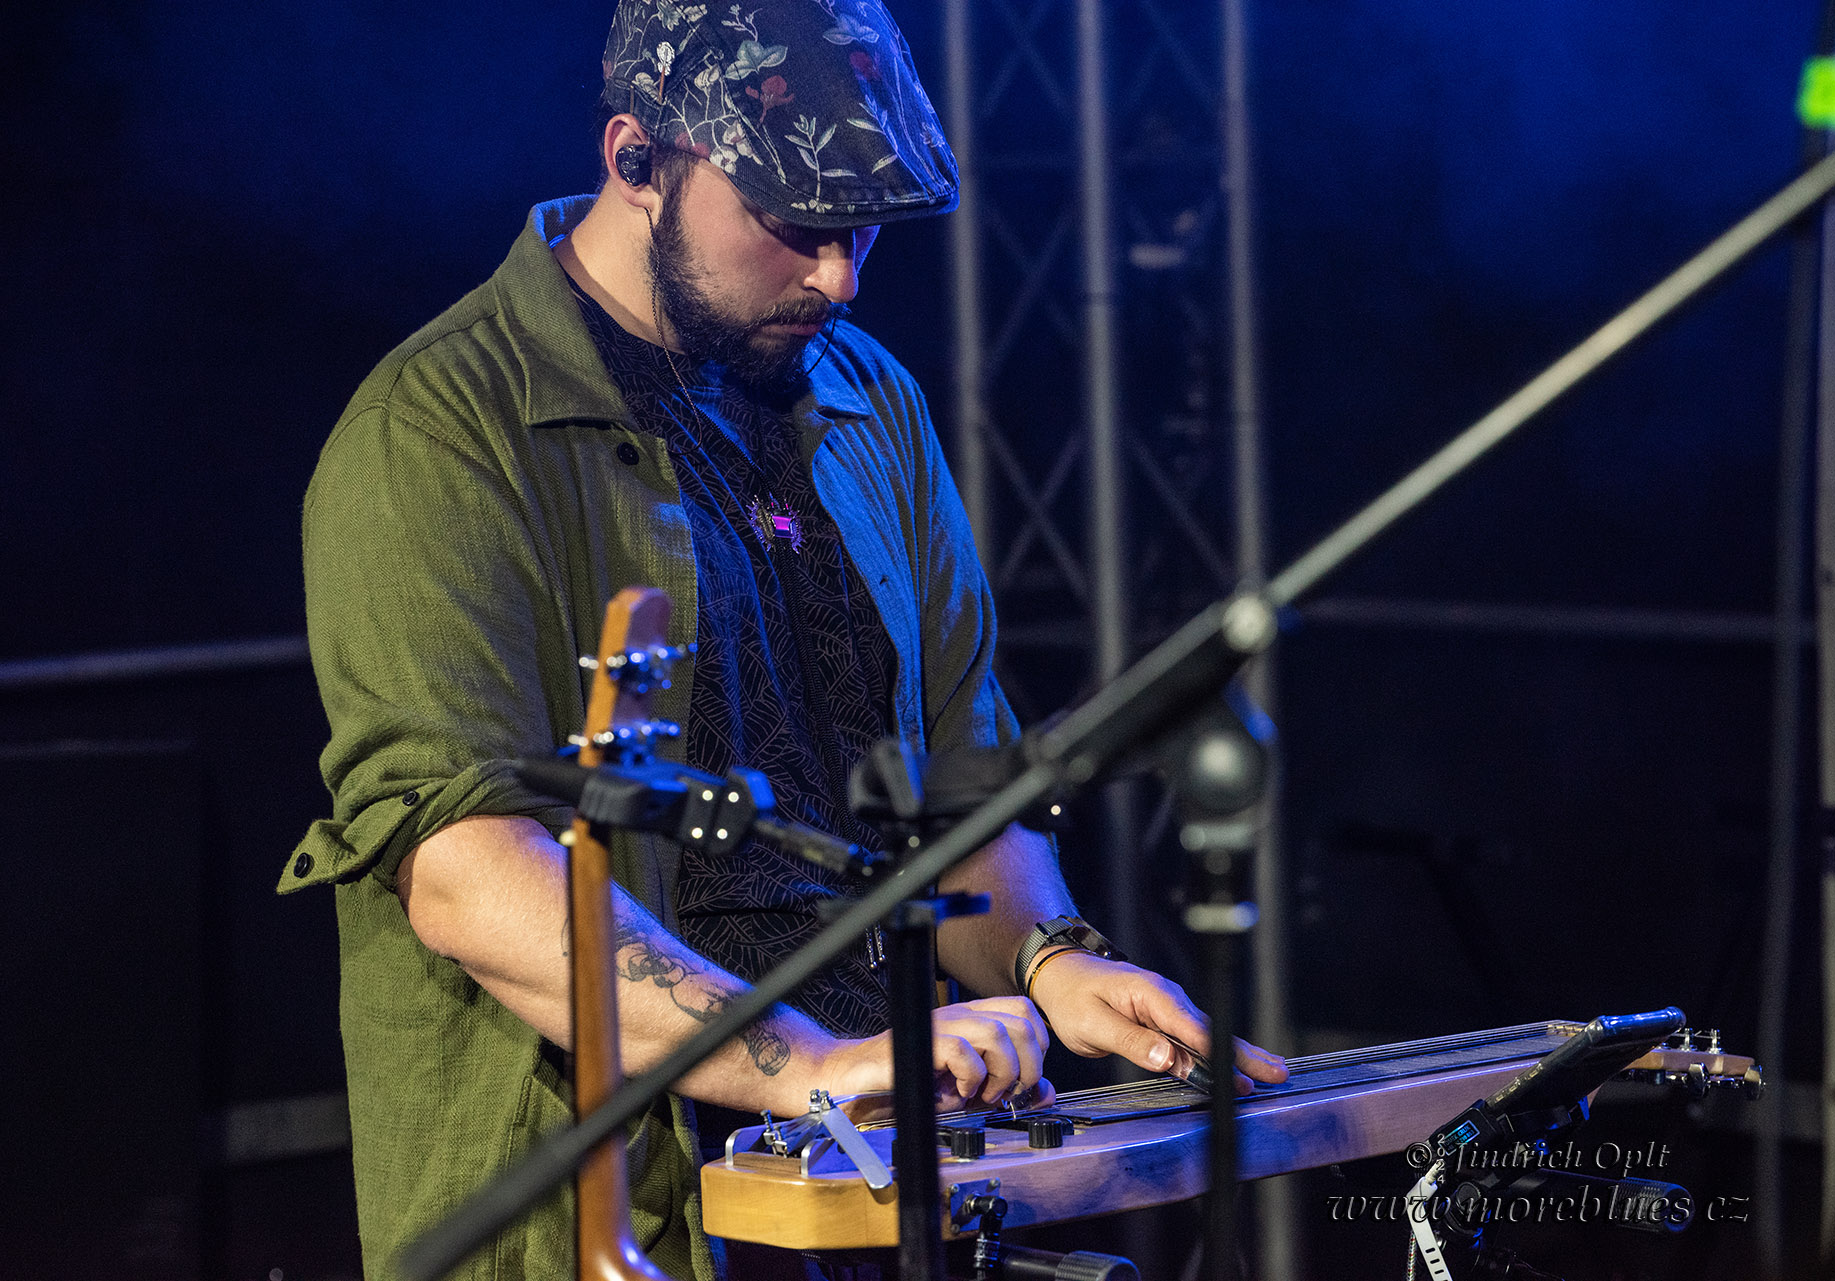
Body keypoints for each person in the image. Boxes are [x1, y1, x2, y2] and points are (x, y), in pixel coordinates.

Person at [282, 2, 1286, 1278]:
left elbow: (963, 786)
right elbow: (468, 874)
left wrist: (1046, 961)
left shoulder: (872, 397)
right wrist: (804, 1065)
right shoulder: (440, 431)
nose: (839, 276)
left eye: (862, 227)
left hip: (889, 1184)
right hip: (623, 1213)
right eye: (795, 225)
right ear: (636, 159)